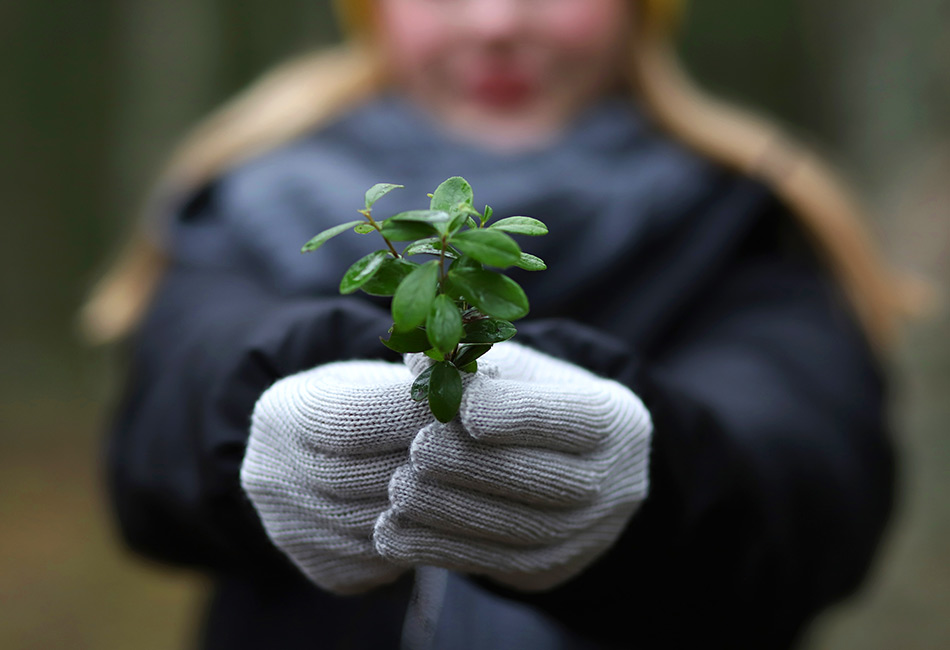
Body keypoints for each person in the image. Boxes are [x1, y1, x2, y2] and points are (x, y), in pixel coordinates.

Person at [83, 0, 914, 648]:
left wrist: (645, 479)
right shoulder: (246, 194)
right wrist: (272, 400)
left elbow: (807, 492)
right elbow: (162, 426)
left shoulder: (751, 215)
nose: (496, 23)